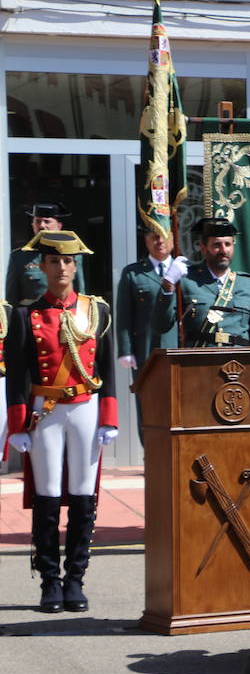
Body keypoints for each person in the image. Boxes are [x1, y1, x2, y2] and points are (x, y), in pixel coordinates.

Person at [4, 230, 117, 612]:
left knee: (85, 497)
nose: (62, 268)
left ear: (75, 265)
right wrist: (18, 425)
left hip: (86, 407)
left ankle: (76, 579)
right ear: (44, 266)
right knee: (48, 497)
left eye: (69, 261)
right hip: (45, 409)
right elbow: (18, 372)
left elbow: (107, 368)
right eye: (55, 261)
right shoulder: (26, 314)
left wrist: (109, 416)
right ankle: (50, 581)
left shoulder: (97, 309)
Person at [159, 218, 250, 347]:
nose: (223, 250)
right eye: (216, 245)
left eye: (228, 244)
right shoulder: (187, 281)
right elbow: (161, 325)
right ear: (203, 248)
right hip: (199, 361)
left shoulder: (248, 284)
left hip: (238, 362)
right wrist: (168, 285)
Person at [115, 227, 179, 439]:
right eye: (154, 236)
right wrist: (125, 349)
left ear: (172, 238)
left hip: (178, 350)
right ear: (146, 240)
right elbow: (124, 314)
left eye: (164, 235)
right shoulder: (133, 272)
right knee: (148, 406)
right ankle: (150, 457)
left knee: (178, 407)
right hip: (145, 350)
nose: (159, 241)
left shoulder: (184, 270)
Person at [6, 202, 86, 305]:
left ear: (59, 226)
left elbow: (80, 294)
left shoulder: (73, 255)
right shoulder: (19, 257)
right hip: (32, 318)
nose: (42, 226)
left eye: (47, 221)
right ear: (33, 225)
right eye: (38, 221)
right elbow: (11, 300)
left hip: (64, 316)